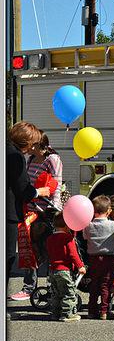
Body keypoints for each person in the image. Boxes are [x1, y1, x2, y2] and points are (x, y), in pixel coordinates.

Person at [12, 134, 63, 301]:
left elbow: (56, 185)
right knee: (29, 248)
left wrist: (53, 212)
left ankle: (51, 287)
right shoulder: (30, 159)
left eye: (32, 144)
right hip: (31, 210)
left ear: (39, 145)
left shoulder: (52, 159)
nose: (28, 147)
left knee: (49, 251)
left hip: (47, 212)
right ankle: (28, 287)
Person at [6, 122, 50, 287]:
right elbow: (22, 188)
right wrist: (39, 192)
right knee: (8, 257)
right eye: (32, 142)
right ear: (25, 141)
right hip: (8, 213)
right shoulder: (16, 156)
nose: (33, 147)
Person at [82, 195, 114, 320]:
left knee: (94, 285)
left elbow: (84, 237)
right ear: (109, 211)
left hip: (93, 259)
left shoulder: (87, 226)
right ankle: (104, 311)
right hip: (108, 258)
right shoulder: (113, 225)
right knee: (106, 285)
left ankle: (91, 310)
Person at [46, 212, 86, 322]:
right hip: (64, 270)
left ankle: (55, 313)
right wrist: (80, 266)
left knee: (56, 293)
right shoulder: (68, 238)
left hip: (53, 270)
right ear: (67, 225)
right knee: (68, 293)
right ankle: (67, 314)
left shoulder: (50, 239)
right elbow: (73, 254)